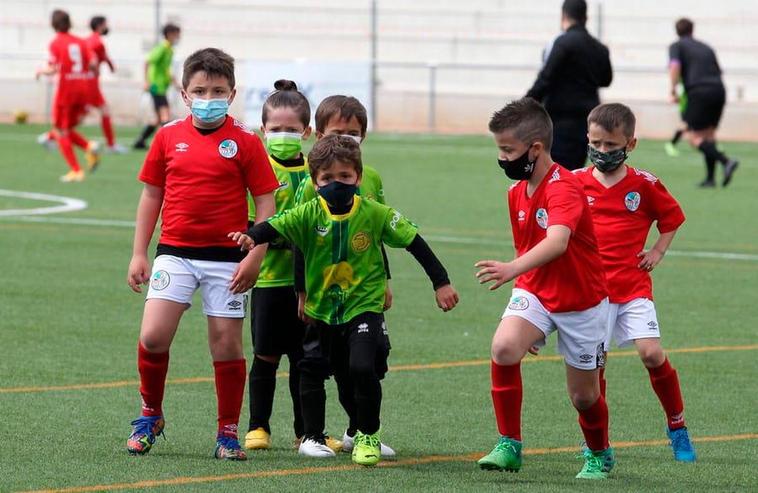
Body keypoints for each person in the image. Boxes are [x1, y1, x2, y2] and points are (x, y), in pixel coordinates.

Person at [229, 135, 459, 466]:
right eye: (327, 179)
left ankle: (368, 435)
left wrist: (441, 283)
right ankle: (314, 434)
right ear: (314, 181)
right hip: (324, 310)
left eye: (345, 178)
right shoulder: (308, 213)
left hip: (363, 306)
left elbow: (415, 242)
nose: (337, 185)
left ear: (359, 178)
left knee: (363, 366)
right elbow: (276, 227)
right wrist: (251, 236)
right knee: (330, 370)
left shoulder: (375, 213)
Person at [125, 48, 278, 461]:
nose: (208, 97)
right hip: (174, 252)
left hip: (227, 257)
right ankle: (150, 414)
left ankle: (227, 432)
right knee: (153, 335)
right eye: (199, 90)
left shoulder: (245, 140)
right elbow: (151, 195)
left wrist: (256, 254)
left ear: (231, 94)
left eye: (217, 90)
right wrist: (140, 252)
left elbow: (266, 201)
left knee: (225, 344)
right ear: (184, 93)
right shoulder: (168, 136)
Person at [475, 97, 614, 480]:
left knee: (584, 397)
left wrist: (509, 270)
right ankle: (509, 445)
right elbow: (528, 249)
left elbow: (557, 242)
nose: (502, 158)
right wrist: (529, 319)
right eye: (499, 149)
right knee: (504, 347)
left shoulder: (564, 187)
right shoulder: (516, 192)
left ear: (535, 149)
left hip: (581, 302)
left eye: (508, 150)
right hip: (535, 291)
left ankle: (599, 453)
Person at [575, 103, 695, 462]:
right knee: (594, 372)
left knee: (651, 353)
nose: (603, 151)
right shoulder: (575, 183)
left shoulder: (644, 184)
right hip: (592, 294)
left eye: (612, 145)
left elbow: (671, 218)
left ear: (631, 144)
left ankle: (677, 426)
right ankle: (597, 442)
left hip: (632, 288)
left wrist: (658, 250)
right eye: (597, 143)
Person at [244, 79, 345, 453]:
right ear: (262, 130)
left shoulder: (315, 170)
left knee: (306, 360)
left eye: (291, 129)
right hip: (270, 280)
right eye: (276, 130)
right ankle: (258, 426)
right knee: (266, 356)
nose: (283, 135)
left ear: (306, 132)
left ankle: (307, 431)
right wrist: (281, 236)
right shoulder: (258, 169)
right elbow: (249, 223)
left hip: (311, 284)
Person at [294, 95, 396, 457]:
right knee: (323, 362)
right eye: (339, 132)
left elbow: (375, 231)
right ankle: (311, 435)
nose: (347, 140)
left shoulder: (371, 178)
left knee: (369, 361)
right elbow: (300, 242)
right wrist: (302, 292)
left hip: (363, 291)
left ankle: (359, 430)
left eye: (354, 134)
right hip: (324, 292)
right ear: (320, 134)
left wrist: (385, 279)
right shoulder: (313, 184)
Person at [526, 0, 612, 170]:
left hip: (560, 121)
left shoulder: (562, 43)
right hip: (588, 122)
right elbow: (606, 80)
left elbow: (545, 79)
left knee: (554, 175)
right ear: (586, 17)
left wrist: (525, 104)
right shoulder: (600, 48)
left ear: (563, 16)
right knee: (573, 173)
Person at [668, 17, 739, 187]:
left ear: (677, 31)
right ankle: (710, 179)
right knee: (709, 135)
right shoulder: (706, 47)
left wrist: (672, 89)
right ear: (692, 30)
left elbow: (675, 66)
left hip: (699, 91)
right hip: (719, 90)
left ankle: (726, 161)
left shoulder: (676, 46)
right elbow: (718, 70)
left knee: (694, 137)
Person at [35, 9, 100, 182]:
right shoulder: (81, 42)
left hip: (66, 91)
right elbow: (93, 63)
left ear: (53, 24)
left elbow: (52, 68)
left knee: (60, 131)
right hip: (83, 90)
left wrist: (40, 71)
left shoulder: (55, 43)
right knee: (65, 129)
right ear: (69, 23)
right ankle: (89, 146)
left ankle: (76, 170)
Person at [133, 23, 181, 150]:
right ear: (170, 34)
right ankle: (166, 144)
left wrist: (174, 82)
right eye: (177, 34)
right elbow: (147, 62)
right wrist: (147, 81)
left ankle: (141, 141)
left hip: (162, 87)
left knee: (159, 118)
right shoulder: (162, 48)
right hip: (156, 86)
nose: (178, 37)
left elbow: (165, 69)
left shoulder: (169, 49)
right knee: (165, 114)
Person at [85, 15, 127, 153]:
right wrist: (111, 67)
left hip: (82, 83)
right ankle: (111, 145)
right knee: (104, 110)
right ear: (99, 26)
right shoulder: (97, 42)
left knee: (76, 116)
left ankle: (50, 137)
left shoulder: (86, 41)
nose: (107, 27)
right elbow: (102, 59)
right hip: (90, 85)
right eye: (105, 24)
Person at [664, 84, 688, 157]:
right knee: (686, 125)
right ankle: (671, 144)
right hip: (687, 105)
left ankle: (710, 145)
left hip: (692, 104)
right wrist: (674, 94)